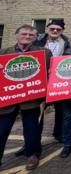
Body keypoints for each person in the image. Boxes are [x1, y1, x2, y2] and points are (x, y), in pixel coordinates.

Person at [0, 25, 52, 170]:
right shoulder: (3, 52)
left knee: (32, 130)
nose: (27, 36)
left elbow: (51, 73)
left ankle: (32, 155)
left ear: (36, 38)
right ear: (16, 35)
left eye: (31, 35)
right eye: (24, 33)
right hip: (8, 99)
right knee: (1, 130)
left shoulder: (44, 53)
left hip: (32, 99)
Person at [35, 19, 71, 144]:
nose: (55, 31)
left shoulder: (67, 43)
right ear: (47, 29)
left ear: (62, 31)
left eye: (58, 29)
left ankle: (58, 134)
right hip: (40, 81)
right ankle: (33, 139)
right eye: (52, 29)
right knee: (37, 111)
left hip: (59, 81)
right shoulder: (38, 41)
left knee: (60, 109)